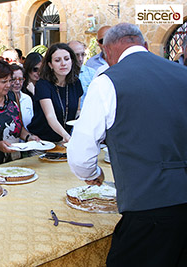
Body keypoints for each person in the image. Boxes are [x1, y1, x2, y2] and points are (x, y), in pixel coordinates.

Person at [67, 23, 187, 266]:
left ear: (108, 51)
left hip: (149, 206)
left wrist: (92, 173)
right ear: (144, 45)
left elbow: (80, 153)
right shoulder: (181, 74)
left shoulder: (107, 81)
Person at [28, 43, 82, 143]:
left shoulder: (76, 83)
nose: (63, 63)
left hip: (65, 140)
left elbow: (77, 110)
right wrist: (66, 136)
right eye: (57, 60)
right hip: (42, 141)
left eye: (66, 59)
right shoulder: (43, 85)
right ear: (50, 65)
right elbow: (50, 116)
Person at [68, 41, 96, 109]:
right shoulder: (61, 75)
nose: (80, 59)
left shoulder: (92, 74)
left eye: (83, 54)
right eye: (76, 55)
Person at [10, 64, 33, 130]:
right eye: (13, 79)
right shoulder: (2, 100)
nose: (17, 82)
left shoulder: (27, 99)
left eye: (20, 79)